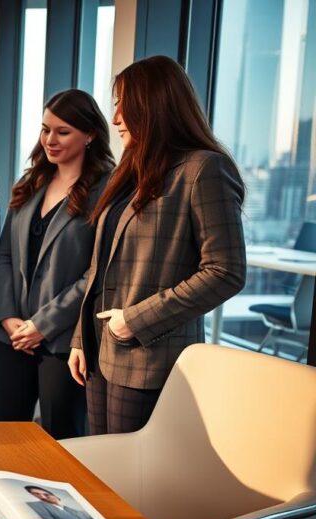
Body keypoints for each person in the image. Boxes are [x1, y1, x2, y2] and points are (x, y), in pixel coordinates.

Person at [68, 56, 246, 434]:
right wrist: (80, 338)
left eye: (123, 105)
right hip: (100, 351)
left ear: (153, 106)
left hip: (150, 357)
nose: (115, 118)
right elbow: (101, 269)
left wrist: (134, 321)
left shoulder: (203, 169)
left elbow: (225, 272)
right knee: (103, 468)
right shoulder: (129, 170)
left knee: (134, 483)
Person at [0, 89, 115, 440]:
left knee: (63, 438)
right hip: (13, 336)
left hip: (63, 339)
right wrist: (8, 316)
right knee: (5, 435)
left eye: (63, 132)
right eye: (46, 129)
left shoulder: (108, 190)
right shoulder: (30, 183)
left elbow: (99, 271)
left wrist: (43, 324)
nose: (50, 140)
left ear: (90, 134)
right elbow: (5, 256)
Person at [24, 485, 103, 519]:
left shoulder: (72, 510)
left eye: (47, 494)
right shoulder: (37, 505)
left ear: (56, 496)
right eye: (36, 494)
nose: (42, 497)